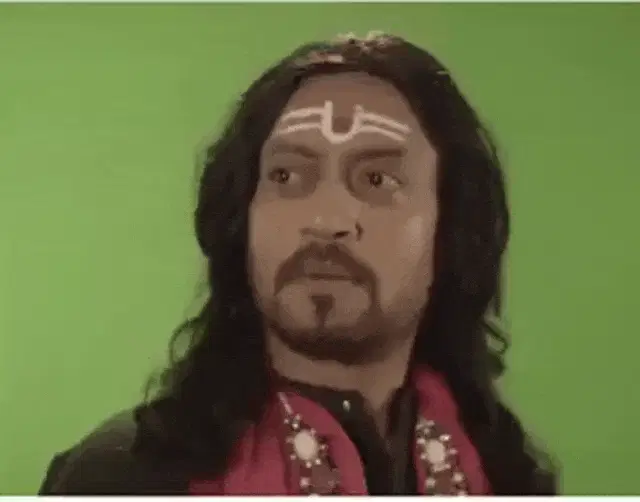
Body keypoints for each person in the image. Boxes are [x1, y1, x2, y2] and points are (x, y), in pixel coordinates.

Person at [39, 32, 557, 495]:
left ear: (453, 227)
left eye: (377, 180)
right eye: (287, 177)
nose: (326, 220)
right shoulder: (120, 478)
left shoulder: (508, 476)